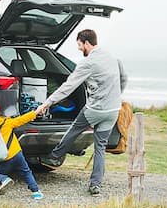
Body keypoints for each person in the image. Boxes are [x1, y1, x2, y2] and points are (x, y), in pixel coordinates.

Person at [36, 29, 127, 195]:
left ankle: (54, 157)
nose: (79, 49)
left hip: (95, 109)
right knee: (100, 147)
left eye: (79, 45)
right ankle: (95, 184)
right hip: (113, 110)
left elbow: (68, 86)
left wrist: (47, 104)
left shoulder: (88, 63)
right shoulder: (113, 57)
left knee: (74, 129)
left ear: (86, 42)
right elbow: (123, 78)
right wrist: (116, 96)